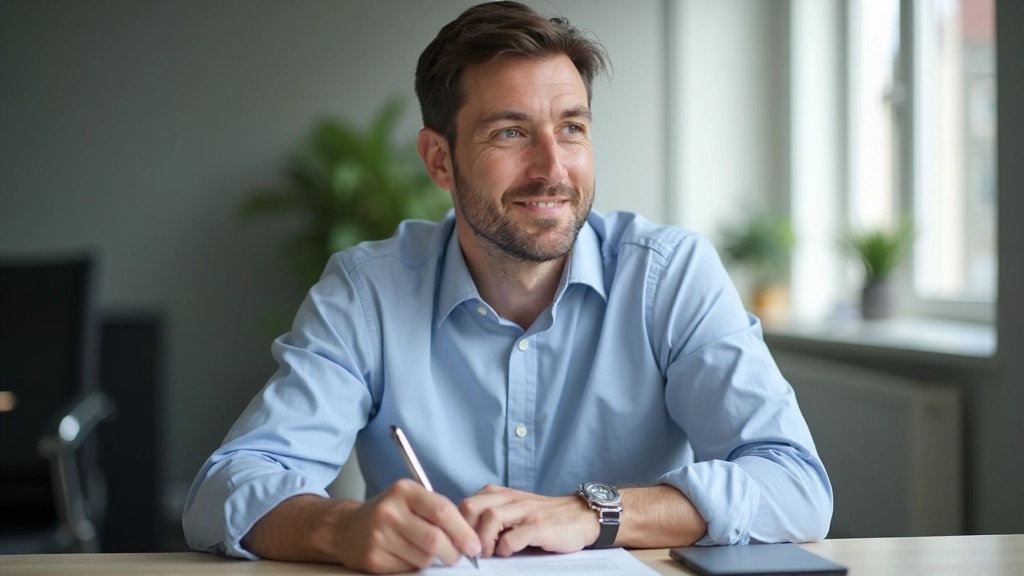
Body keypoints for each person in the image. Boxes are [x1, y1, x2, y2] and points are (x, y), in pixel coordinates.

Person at [182, 2, 833, 573]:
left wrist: (594, 515)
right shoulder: (368, 291)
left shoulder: (669, 276)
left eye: (572, 128)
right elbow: (224, 492)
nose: (553, 168)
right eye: (511, 132)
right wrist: (341, 527)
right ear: (440, 159)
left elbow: (796, 487)